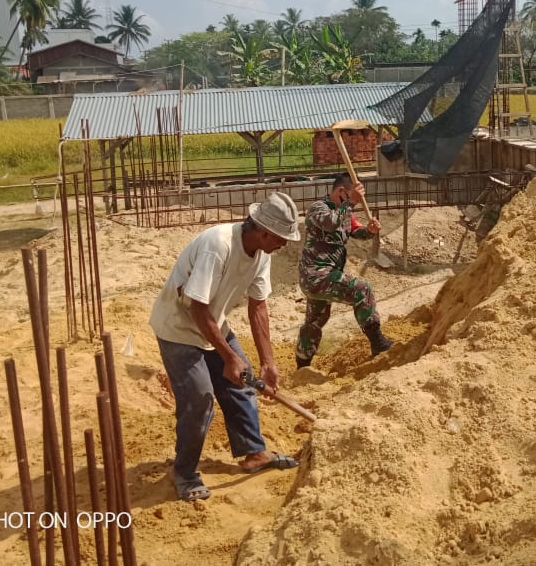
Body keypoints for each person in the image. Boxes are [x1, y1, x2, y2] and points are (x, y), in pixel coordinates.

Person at [149, 192, 302, 502]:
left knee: (241, 384)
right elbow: (197, 308)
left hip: (212, 323)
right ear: (263, 231)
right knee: (199, 397)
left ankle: (253, 453)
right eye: (282, 238)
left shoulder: (261, 255)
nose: (284, 244)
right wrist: (229, 357)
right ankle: (184, 471)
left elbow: (258, 307)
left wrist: (268, 363)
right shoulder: (218, 245)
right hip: (178, 327)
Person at [295, 172, 394, 367]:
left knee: (315, 321)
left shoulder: (345, 213)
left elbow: (357, 232)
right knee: (361, 290)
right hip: (316, 275)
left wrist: (370, 230)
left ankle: (302, 364)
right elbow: (331, 223)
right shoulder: (318, 209)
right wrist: (351, 204)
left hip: (326, 277)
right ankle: (378, 343)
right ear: (341, 192)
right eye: (351, 196)